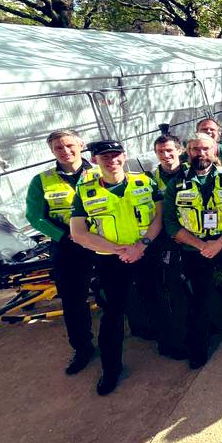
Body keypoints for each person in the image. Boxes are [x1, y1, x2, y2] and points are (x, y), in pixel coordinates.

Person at [69, 140, 161, 395]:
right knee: (113, 313)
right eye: (104, 156)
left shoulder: (143, 182)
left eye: (116, 155)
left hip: (144, 251)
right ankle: (111, 369)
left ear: (124, 156)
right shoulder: (86, 191)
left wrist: (140, 246)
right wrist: (120, 250)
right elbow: (78, 233)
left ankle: (169, 344)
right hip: (111, 260)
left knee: (155, 297)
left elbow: (158, 217)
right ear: (95, 160)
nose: (111, 160)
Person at [163, 133, 222, 367]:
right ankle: (199, 347)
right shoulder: (176, 184)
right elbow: (170, 222)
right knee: (200, 297)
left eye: (205, 149)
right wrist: (201, 245)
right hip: (194, 251)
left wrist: (220, 242)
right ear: (187, 152)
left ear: (215, 151)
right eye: (194, 149)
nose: (200, 154)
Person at [25, 129, 97, 375]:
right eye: (58, 148)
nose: (65, 151)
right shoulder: (41, 180)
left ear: (80, 144)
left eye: (69, 145)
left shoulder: (100, 172)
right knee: (74, 300)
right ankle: (82, 347)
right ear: (52, 151)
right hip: (68, 245)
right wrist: (64, 236)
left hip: (104, 242)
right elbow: (35, 217)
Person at [134, 133, 188, 356]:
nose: (166, 155)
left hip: (191, 237)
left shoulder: (193, 171)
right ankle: (170, 339)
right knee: (167, 289)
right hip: (161, 241)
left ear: (180, 150)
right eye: (160, 152)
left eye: (169, 151)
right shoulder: (148, 179)